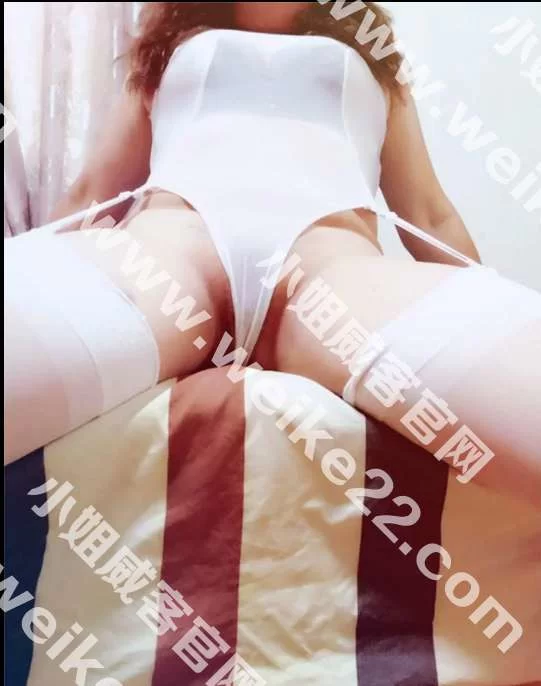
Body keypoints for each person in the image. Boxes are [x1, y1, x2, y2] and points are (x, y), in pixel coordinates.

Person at [5, 2, 540, 504]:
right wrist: (52, 256)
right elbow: (94, 190)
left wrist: (483, 289)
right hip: (171, 255)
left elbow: (429, 213)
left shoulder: (373, 55)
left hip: (329, 272)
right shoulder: (168, 42)